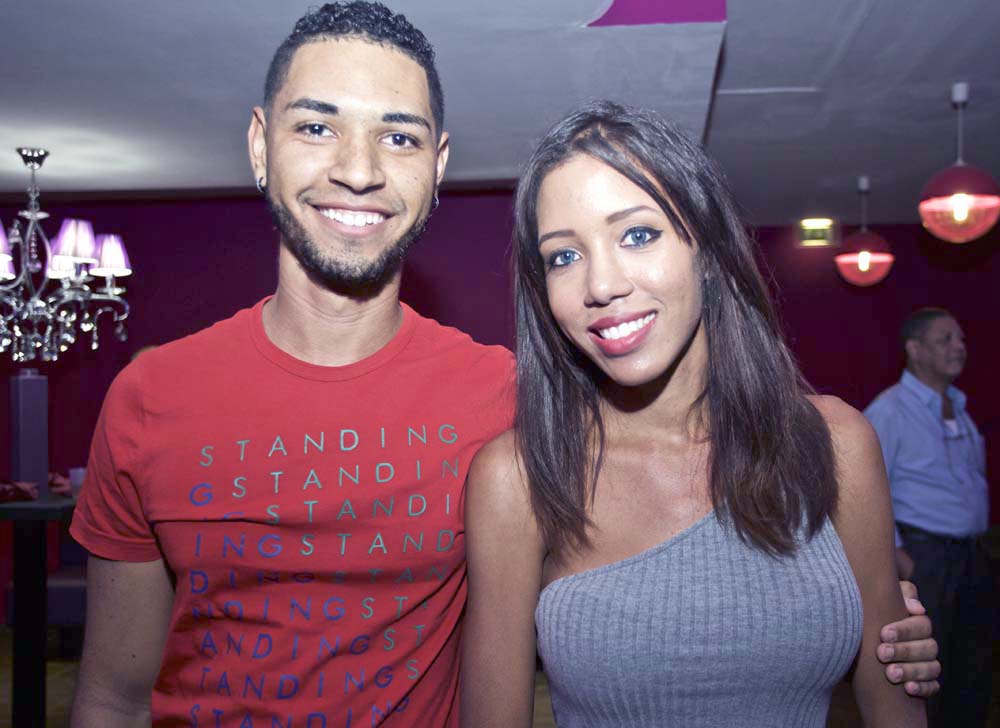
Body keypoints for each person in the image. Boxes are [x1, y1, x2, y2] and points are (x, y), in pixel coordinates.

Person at [68, 4, 937, 727]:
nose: (359, 170)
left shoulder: (507, 400)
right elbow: (112, 695)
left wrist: (873, 605)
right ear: (261, 145)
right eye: (317, 126)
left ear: (437, 166)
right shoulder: (150, 397)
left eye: (398, 136)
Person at [461, 101, 932, 727]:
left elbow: (893, 692)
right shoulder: (519, 478)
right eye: (564, 257)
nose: (600, 285)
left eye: (637, 235)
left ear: (706, 250)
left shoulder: (837, 443)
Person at [865, 308, 992, 727]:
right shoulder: (890, 410)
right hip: (926, 560)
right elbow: (866, 490)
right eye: (945, 339)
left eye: (961, 339)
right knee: (925, 684)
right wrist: (901, 559)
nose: (959, 347)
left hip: (972, 557)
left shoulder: (959, 406)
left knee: (973, 673)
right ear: (915, 350)